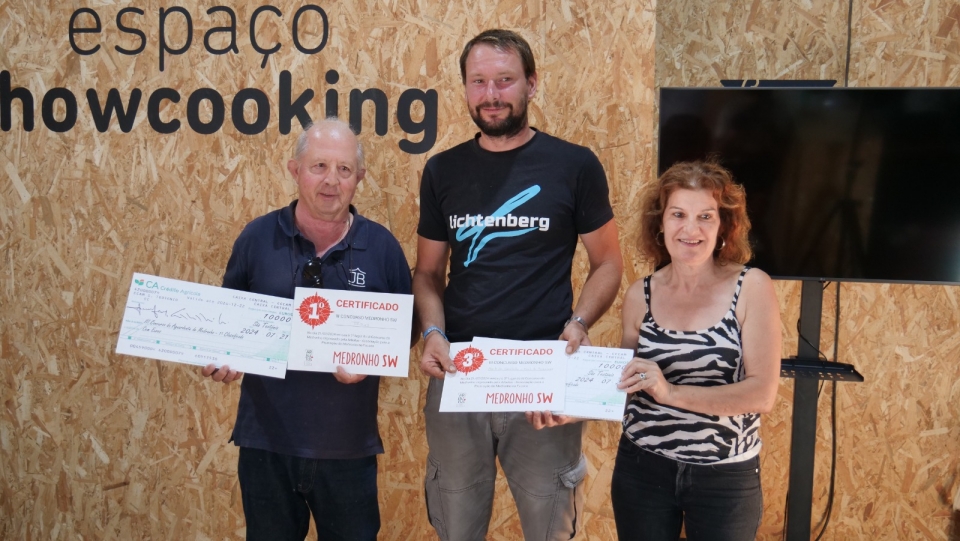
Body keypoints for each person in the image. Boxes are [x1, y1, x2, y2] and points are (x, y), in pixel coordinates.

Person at [413, 29, 624, 541]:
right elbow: (427, 273)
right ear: (465, 87)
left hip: (543, 379)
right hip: (461, 374)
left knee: (550, 527)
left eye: (504, 80)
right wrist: (433, 332)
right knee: (456, 527)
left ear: (531, 84)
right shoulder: (442, 170)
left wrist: (579, 323)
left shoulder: (575, 165)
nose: (491, 94)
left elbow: (608, 262)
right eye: (478, 81)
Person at [201, 118, 413, 541]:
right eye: (319, 166)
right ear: (294, 170)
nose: (331, 180)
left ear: (359, 178)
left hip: (347, 449)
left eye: (344, 169)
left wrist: (371, 361)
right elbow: (226, 323)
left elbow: (403, 330)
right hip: (266, 446)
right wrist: (220, 357)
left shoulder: (383, 248)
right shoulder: (257, 238)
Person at [611, 161, 782, 541]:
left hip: (725, 477)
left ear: (724, 226)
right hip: (641, 469)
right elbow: (623, 387)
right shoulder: (640, 294)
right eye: (678, 215)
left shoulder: (751, 287)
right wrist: (567, 404)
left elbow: (762, 394)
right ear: (660, 223)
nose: (691, 229)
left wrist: (670, 392)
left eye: (705, 216)